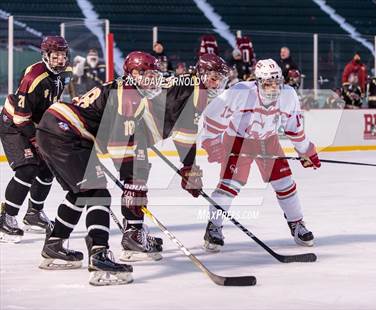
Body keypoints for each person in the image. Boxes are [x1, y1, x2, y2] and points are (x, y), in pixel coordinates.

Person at [34, 51, 166, 285]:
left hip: (53, 128)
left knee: (79, 193)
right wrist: (131, 182)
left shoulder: (123, 89)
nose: (155, 80)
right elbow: (119, 148)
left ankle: (55, 245)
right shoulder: (129, 95)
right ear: (135, 73)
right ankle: (99, 254)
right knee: (98, 193)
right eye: (151, 75)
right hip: (65, 132)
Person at [114, 53, 230, 261]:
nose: (217, 83)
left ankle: (133, 229)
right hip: (130, 129)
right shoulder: (195, 90)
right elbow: (185, 131)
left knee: (136, 180)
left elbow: (180, 127)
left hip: (136, 130)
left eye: (220, 79)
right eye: (214, 77)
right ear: (202, 73)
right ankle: (132, 237)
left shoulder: (191, 86)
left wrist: (188, 167)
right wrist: (189, 168)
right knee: (136, 180)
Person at [201, 59, 320, 252]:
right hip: (238, 140)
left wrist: (306, 150)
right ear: (257, 82)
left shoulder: (288, 95)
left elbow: (294, 129)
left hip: (268, 141)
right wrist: (211, 143)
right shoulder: (240, 92)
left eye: (277, 82)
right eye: (268, 83)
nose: (273, 87)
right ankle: (214, 227)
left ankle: (297, 223)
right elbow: (212, 116)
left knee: (285, 182)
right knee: (230, 185)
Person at [0, 36, 72, 242]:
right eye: (55, 55)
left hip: (31, 123)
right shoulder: (34, 78)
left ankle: (33, 214)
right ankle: (6, 218)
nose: (60, 59)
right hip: (13, 124)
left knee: (47, 168)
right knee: (28, 168)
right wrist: (37, 140)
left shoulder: (63, 74)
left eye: (63, 55)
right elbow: (21, 117)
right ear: (46, 56)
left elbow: (49, 106)